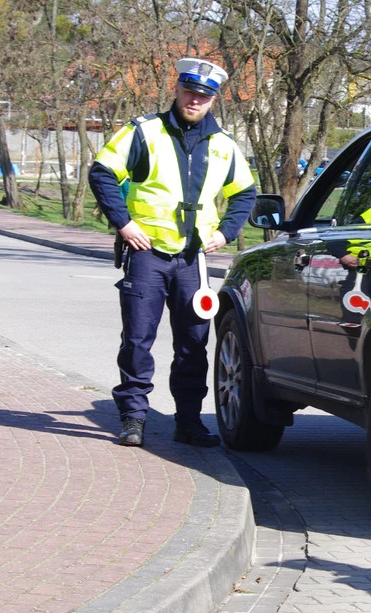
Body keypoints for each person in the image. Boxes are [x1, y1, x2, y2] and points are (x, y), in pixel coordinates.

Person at [90, 58, 257, 448]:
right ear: (177, 90)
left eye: (204, 96)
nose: (195, 100)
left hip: (193, 259)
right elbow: (102, 172)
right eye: (189, 92)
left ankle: (188, 423)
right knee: (137, 340)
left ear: (213, 100)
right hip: (147, 253)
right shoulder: (143, 131)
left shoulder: (223, 144)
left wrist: (226, 232)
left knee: (193, 345)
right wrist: (123, 223)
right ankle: (133, 418)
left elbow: (245, 193)